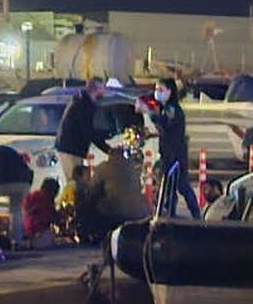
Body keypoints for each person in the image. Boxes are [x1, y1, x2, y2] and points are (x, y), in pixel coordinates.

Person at [140, 78, 201, 218]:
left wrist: (151, 114)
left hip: (175, 154)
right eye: (156, 89)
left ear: (170, 91)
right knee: (171, 186)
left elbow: (167, 125)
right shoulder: (166, 108)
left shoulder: (171, 109)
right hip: (171, 152)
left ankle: (193, 214)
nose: (157, 92)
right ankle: (173, 214)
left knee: (180, 185)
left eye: (161, 90)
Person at [77, 149, 148, 242]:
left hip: (118, 213)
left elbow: (91, 190)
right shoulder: (132, 167)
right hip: (139, 212)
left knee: (87, 205)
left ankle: (93, 236)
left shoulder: (104, 167)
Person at [54, 77, 110, 181]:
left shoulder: (84, 101)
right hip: (70, 148)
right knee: (74, 181)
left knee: (78, 181)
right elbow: (88, 130)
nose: (105, 90)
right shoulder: (83, 104)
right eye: (103, 87)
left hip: (73, 148)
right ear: (96, 88)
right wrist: (107, 149)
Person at [22, 177, 60, 247]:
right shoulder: (47, 201)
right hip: (39, 234)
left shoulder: (31, 196)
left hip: (25, 232)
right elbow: (52, 219)